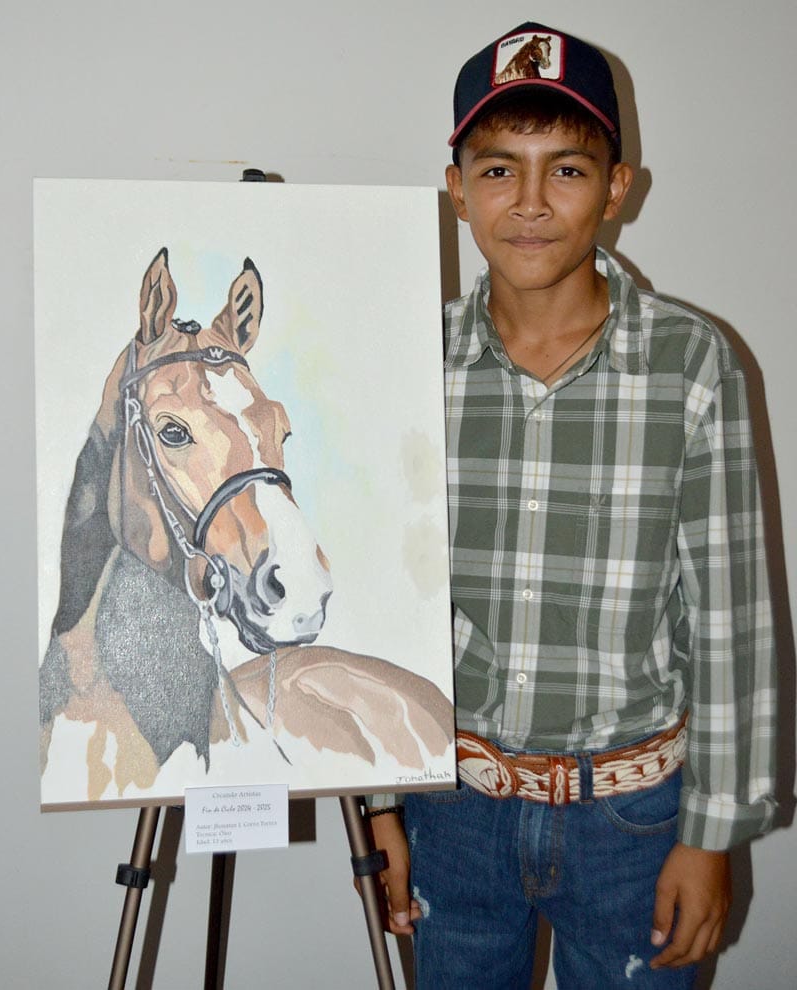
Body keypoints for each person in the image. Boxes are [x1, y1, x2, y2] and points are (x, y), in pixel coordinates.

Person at [363, 20, 777, 990]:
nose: (531, 203)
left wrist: (711, 834)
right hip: (452, 811)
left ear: (616, 187)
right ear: (456, 187)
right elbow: (378, 598)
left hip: (633, 823)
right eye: (498, 170)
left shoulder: (690, 364)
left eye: (567, 170)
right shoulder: (408, 362)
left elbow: (728, 617)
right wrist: (378, 805)